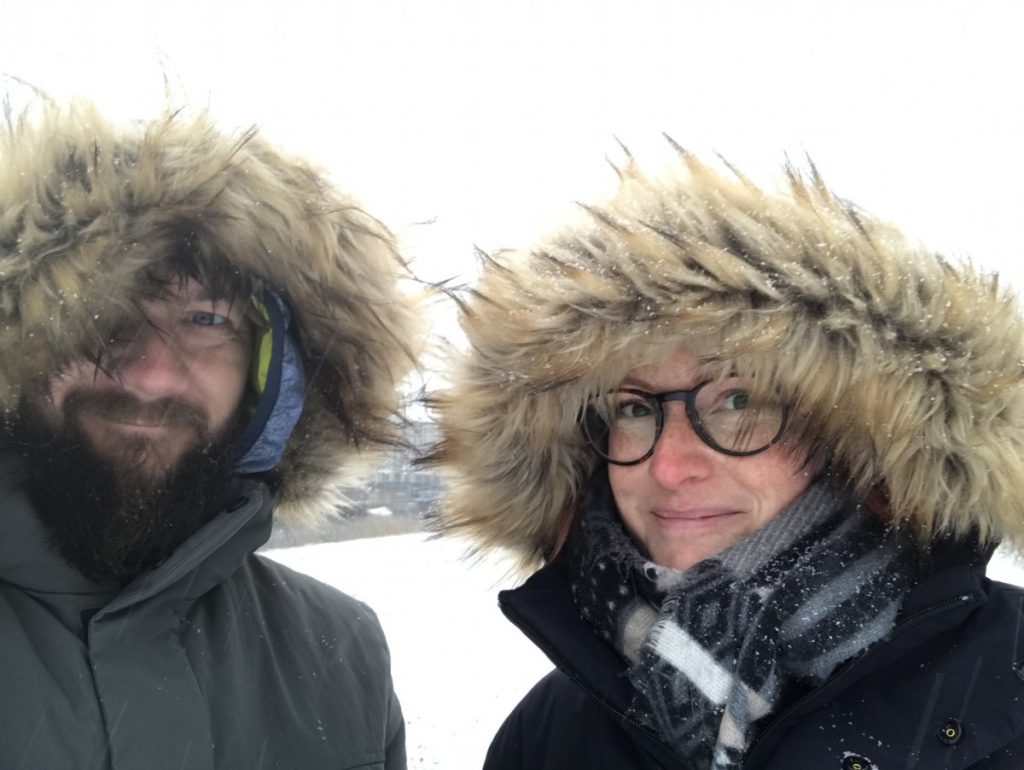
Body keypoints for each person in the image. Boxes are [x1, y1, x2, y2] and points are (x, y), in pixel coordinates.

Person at [428, 150, 1024, 768]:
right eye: (633, 408)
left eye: (738, 399)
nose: (670, 466)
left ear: (853, 439)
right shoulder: (549, 732)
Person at [0, 100, 418, 769]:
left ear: (270, 374)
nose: (151, 373)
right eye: (101, 312)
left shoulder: (338, 655)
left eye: (204, 317)